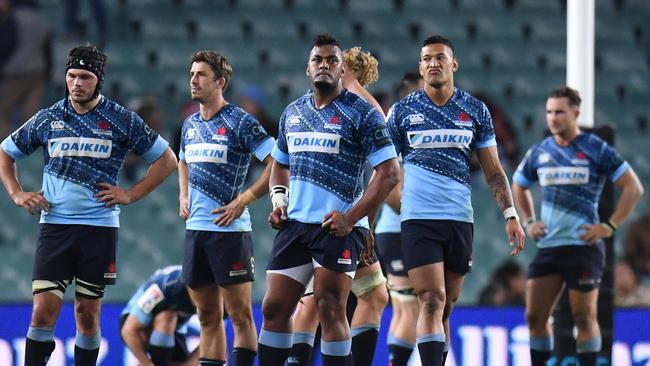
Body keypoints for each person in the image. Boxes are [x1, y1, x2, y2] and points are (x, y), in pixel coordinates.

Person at [0, 45, 177, 366]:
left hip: (99, 229)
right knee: (43, 311)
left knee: (87, 314)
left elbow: (167, 160)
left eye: (85, 76)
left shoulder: (122, 120)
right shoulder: (49, 118)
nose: (77, 83)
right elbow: (5, 152)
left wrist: (131, 194)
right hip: (54, 228)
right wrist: (16, 193)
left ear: (99, 80)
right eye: (71, 75)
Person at [258, 34, 400, 366]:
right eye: (317, 60)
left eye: (331, 60)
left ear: (342, 69)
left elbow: (389, 173)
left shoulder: (362, 114)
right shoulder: (292, 113)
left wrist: (352, 218)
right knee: (274, 308)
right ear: (308, 69)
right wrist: (279, 200)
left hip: (336, 230)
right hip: (295, 227)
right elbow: (279, 164)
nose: (324, 65)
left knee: (330, 307)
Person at [386, 34, 526, 366]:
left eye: (440, 57)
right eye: (427, 59)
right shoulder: (402, 112)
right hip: (418, 219)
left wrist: (510, 213)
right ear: (420, 68)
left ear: (454, 64)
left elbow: (493, 171)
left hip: (459, 219)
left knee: (446, 305)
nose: (433, 63)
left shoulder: (475, 110)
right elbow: (385, 170)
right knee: (431, 301)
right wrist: (394, 210)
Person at [512, 85, 644, 366]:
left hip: (583, 247)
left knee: (585, 317)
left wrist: (609, 225)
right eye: (549, 112)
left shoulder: (596, 149)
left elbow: (633, 188)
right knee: (534, 316)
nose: (552, 118)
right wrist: (529, 220)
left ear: (576, 113)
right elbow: (519, 185)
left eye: (559, 112)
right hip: (549, 247)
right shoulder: (540, 151)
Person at [178, 50, 275, 366]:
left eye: (201, 74)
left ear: (220, 82)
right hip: (197, 232)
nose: (193, 80)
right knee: (207, 315)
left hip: (229, 233)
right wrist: (183, 195)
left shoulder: (241, 122)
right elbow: (182, 160)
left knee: (240, 315)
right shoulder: (190, 123)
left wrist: (243, 200)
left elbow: (277, 162)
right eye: (192, 73)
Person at [374, 71, 423, 366]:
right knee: (411, 307)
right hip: (400, 229)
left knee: (406, 308)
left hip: (393, 231)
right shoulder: (396, 135)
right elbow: (390, 189)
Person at [120, 265, 199, 366]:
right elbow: (129, 330)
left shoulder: (218, 297)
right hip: (135, 322)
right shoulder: (164, 287)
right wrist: (147, 363)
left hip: (175, 327)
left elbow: (215, 337)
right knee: (167, 317)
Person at [0, 0, 52, 139]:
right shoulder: (41, 20)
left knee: (3, 110)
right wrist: (47, 72)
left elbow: (6, 45)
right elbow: (47, 49)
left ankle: (4, 146)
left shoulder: (13, 18)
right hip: (37, 70)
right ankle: (31, 142)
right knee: (31, 110)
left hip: (14, 72)